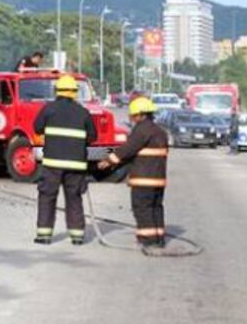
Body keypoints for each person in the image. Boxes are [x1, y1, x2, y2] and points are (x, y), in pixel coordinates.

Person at [33, 75, 96, 245]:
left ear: (57, 91)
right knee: (74, 198)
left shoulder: (49, 109)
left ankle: (44, 235)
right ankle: (77, 236)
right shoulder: (83, 112)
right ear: (75, 92)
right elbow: (92, 136)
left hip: (52, 164)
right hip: (76, 165)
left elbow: (37, 128)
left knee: (47, 196)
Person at [98, 96, 169, 249]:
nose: (132, 118)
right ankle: (159, 237)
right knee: (156, 207)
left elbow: (128, 150)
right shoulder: (161, 132)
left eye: (133, 115)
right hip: (159, 179)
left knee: (142, 208)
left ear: (141, 114)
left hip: (143, 179)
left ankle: (148, 239)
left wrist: (108, 161)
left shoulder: (141, 130)